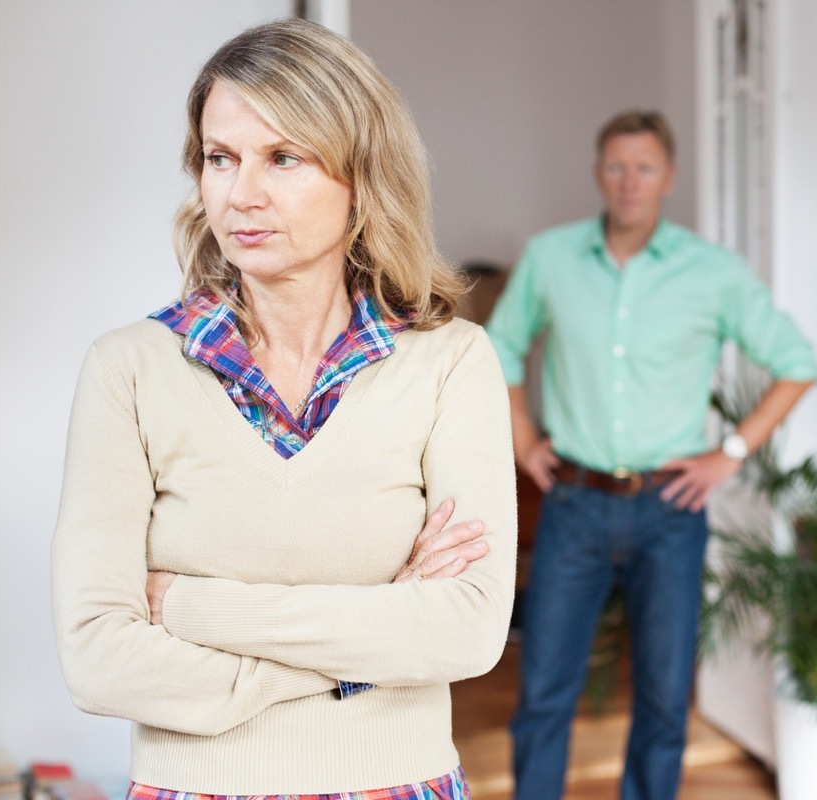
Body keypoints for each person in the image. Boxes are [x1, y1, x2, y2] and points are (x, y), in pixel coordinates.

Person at [51, 19, 516, 800]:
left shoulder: (451, 363)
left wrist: (194, 607)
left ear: (361, 178)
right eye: (220, 158)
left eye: (284, 158)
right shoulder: (127, 370)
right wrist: (372, 645)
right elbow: (97, 658)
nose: (242, 195)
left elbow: (467, 629)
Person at [485, 110, 817, 800]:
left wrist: (730, 452)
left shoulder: (713, 272)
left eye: (644, 168)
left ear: (668, 178)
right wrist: (522, 435)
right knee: (544, 691)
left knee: (665, 702)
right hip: (573, 504)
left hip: (671, 510)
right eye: (616, 166)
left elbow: (796, 362)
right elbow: (499, 345)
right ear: (598, 174)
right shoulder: (552, 257)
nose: (629, 182)